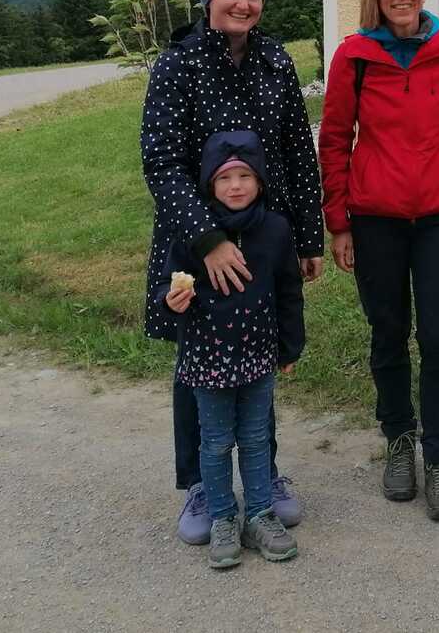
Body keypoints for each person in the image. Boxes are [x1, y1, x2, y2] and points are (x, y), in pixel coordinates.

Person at [141, 0, 325, 546]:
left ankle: (263, 478)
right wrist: (209, 240)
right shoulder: (178, 65)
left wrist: (307, 236)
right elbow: (161, 162)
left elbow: (296, 152)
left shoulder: (275, 61)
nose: (243, 4)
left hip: (266, 239)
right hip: (195, 242)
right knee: (198, 363)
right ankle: (201, 484)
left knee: (257, 355)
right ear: (208, 0)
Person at [317, 0, 439, 522]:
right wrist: (338, 222)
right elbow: (334, 139)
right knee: (387, 332)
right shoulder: (355, 57)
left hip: (438, 219)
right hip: (375, 220)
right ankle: (398, 441)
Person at [158, 130, 305, 569]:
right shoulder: (194, 232)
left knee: (257, 438)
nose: (235, 186)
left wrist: (289, 346)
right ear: (209, 183)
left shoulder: (276, 230)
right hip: (207, 360)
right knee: (217, 442)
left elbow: (289, 292)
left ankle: (259, 514)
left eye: (245, 176)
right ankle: (222, 517)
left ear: (260, 180)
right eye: (224, 178)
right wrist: (172, 301)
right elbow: (168, 286)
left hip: (258, 357)